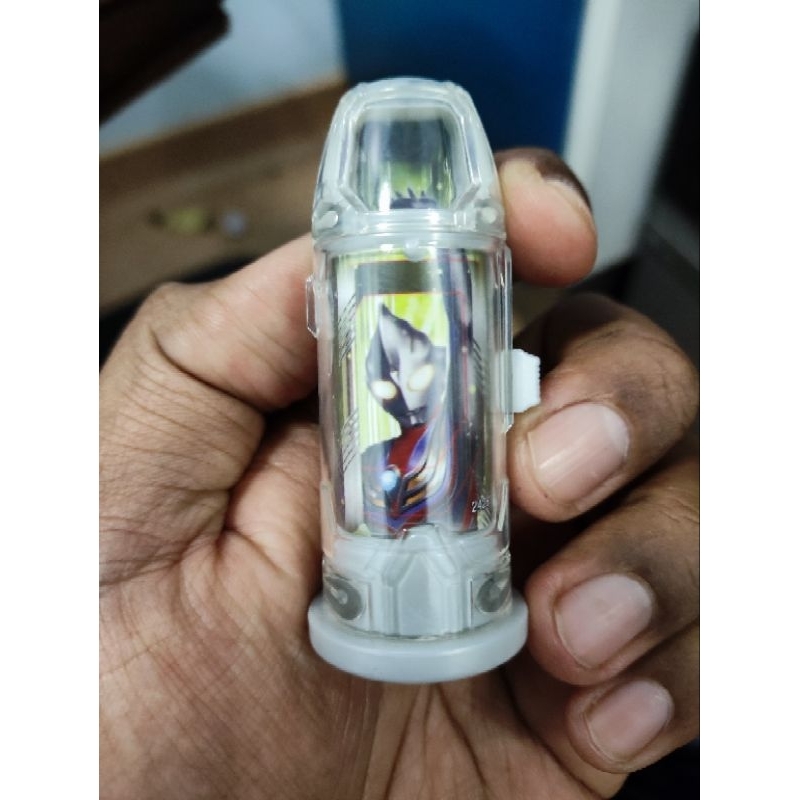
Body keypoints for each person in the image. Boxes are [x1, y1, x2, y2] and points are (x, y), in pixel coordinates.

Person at [100, 148, 698, 799]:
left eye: (419, 368)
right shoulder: (375, 455)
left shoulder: (453, 437)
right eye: (385, 380)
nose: (401, 391)